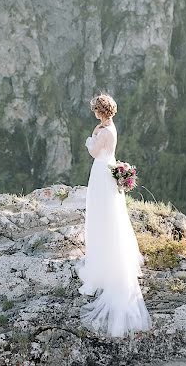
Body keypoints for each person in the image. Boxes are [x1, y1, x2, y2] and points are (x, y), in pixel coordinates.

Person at [76, 92, 152, 337]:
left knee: (101, 215)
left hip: (100, 172)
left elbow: (93, 152)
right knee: (110, 215)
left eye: (96, 111)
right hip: (107, 171)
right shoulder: (111, 127)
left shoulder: (104, 132)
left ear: (99, 111)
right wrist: (98, 130)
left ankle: (103, 262)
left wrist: (91, 138)